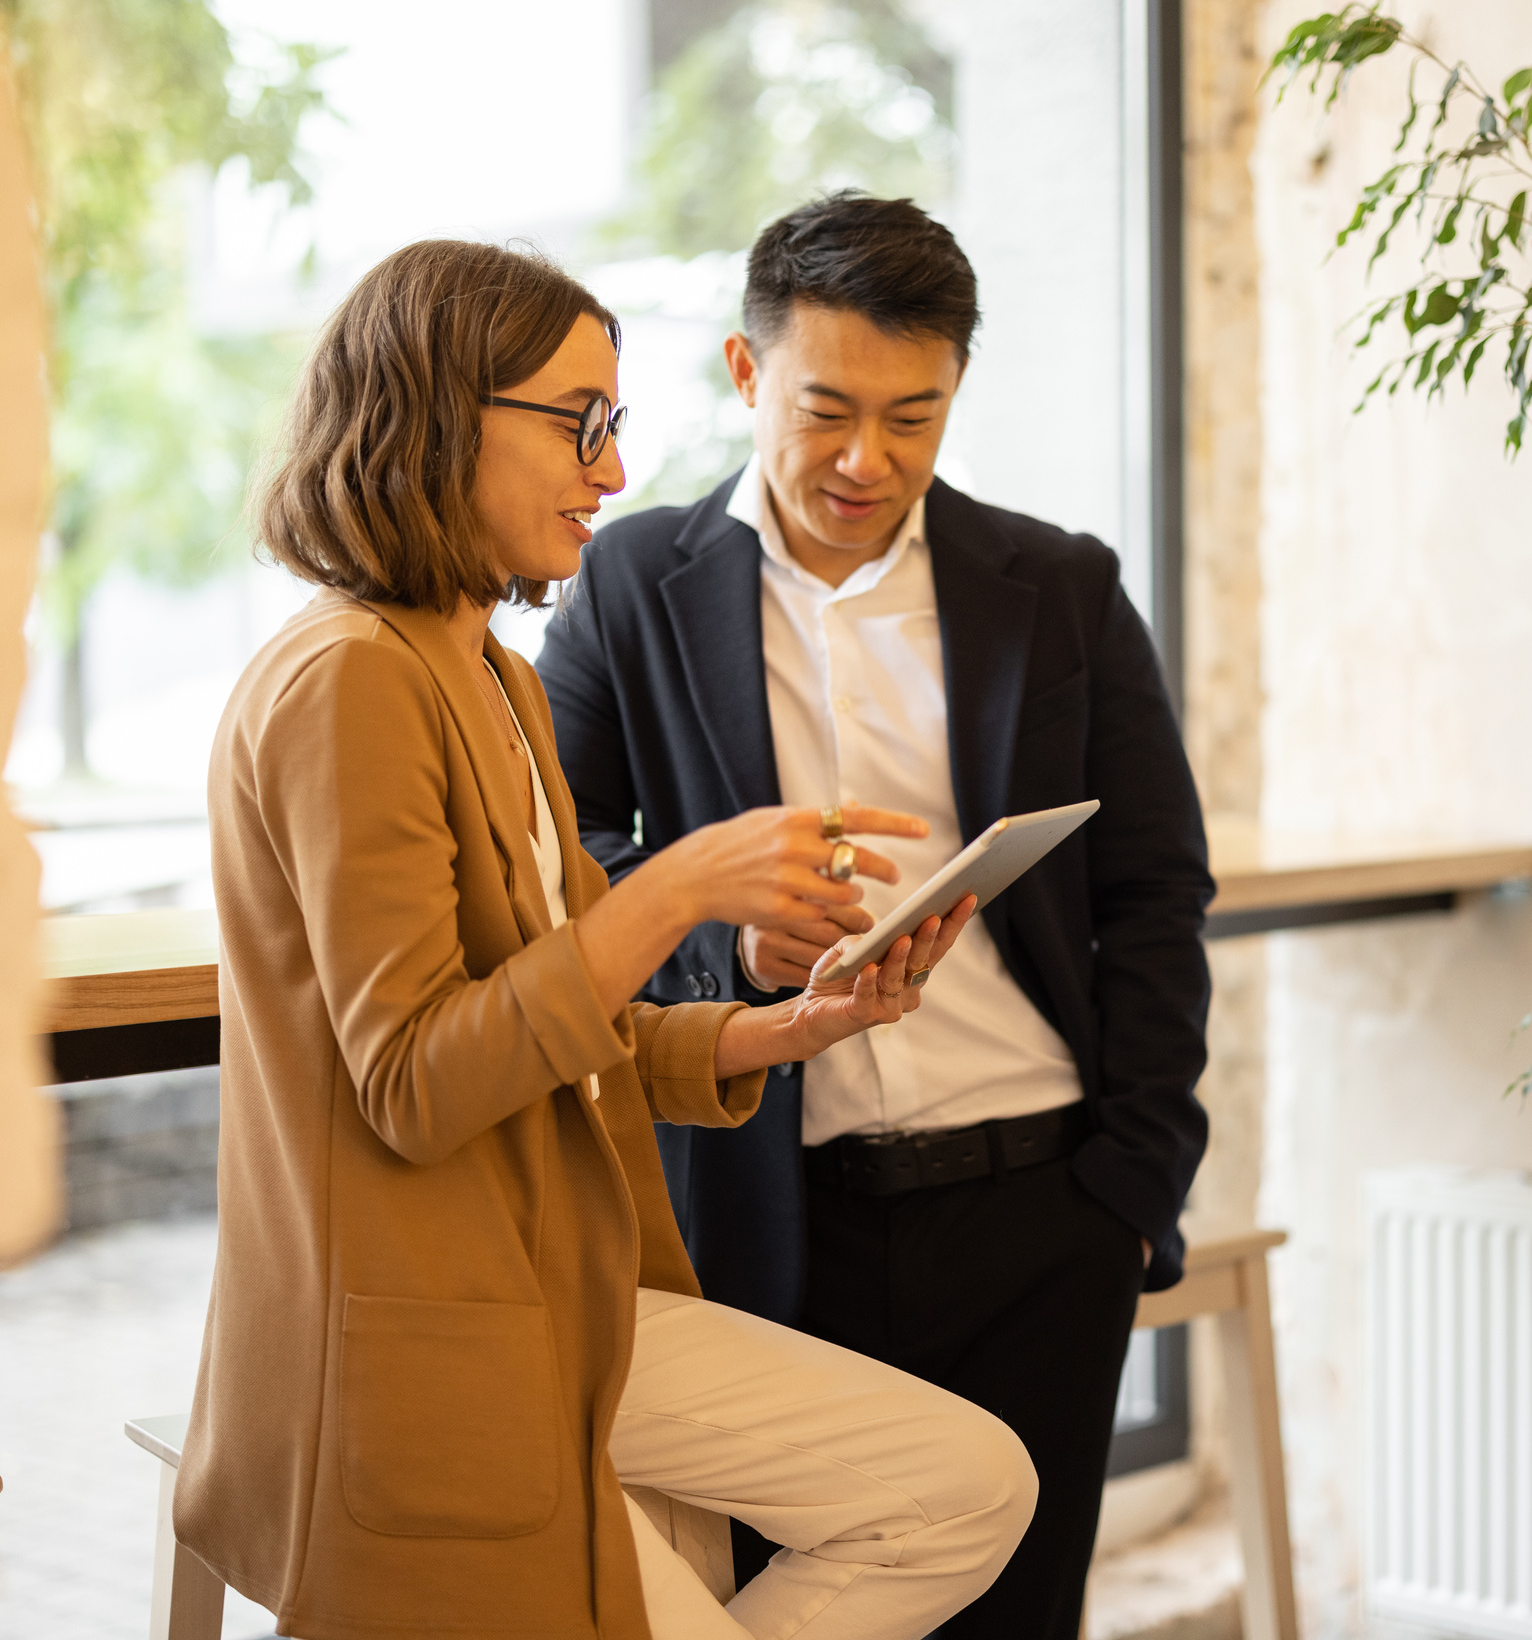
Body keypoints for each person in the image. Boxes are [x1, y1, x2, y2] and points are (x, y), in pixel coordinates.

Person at [175, 238, 1035, 1640]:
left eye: (614, 425)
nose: (613, 472)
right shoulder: (345, 683)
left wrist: (782, 1027)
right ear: (435, 412)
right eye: (579, 423)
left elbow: (576, 1028)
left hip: (560, 1298)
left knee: (967, 1486)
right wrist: (682, 883)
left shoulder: (491, 681)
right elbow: (416, 1080)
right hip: (430, 1350)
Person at [536, 193, 1213, 1640]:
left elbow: (1156, 888)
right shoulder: (625, 585)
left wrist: (1134, 1177)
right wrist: (726, 940)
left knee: (1015, 1617)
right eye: (825, 408)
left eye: (914, 417)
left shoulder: (1062, 590)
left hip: (1042, 1202)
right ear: (743, 372)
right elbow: (558, 855)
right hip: (757, 1219)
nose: (866, 461)